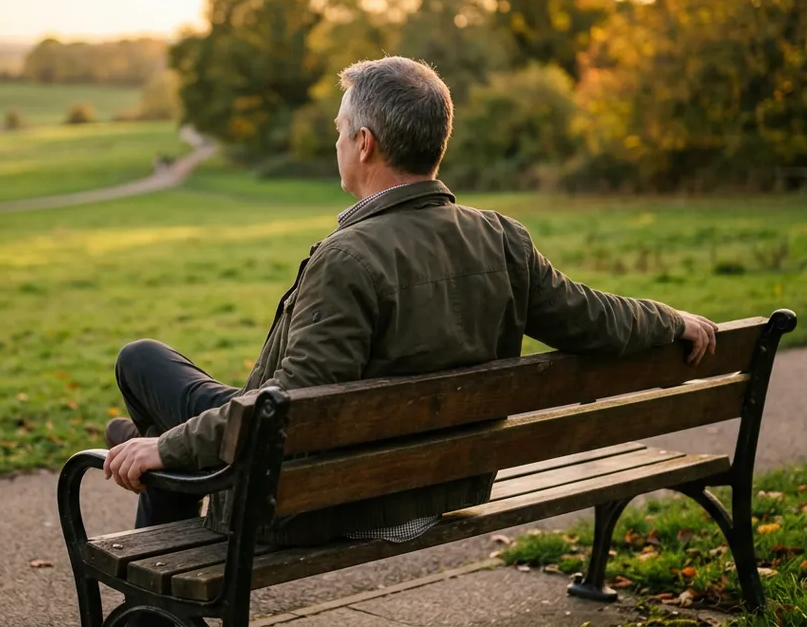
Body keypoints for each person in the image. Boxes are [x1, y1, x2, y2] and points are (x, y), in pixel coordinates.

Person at [103, 56, 718, 547]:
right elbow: (593, 321)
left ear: (365, 143)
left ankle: (157, 597)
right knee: (155, 396)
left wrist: (166, 447)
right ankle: (151, 453)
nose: (337, 142)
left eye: (340, 131)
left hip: (321, 504)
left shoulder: (346, 259)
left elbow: (286, 411)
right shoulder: (502, 238)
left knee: (143, 366)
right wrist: (673, 320)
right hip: (442, 484)